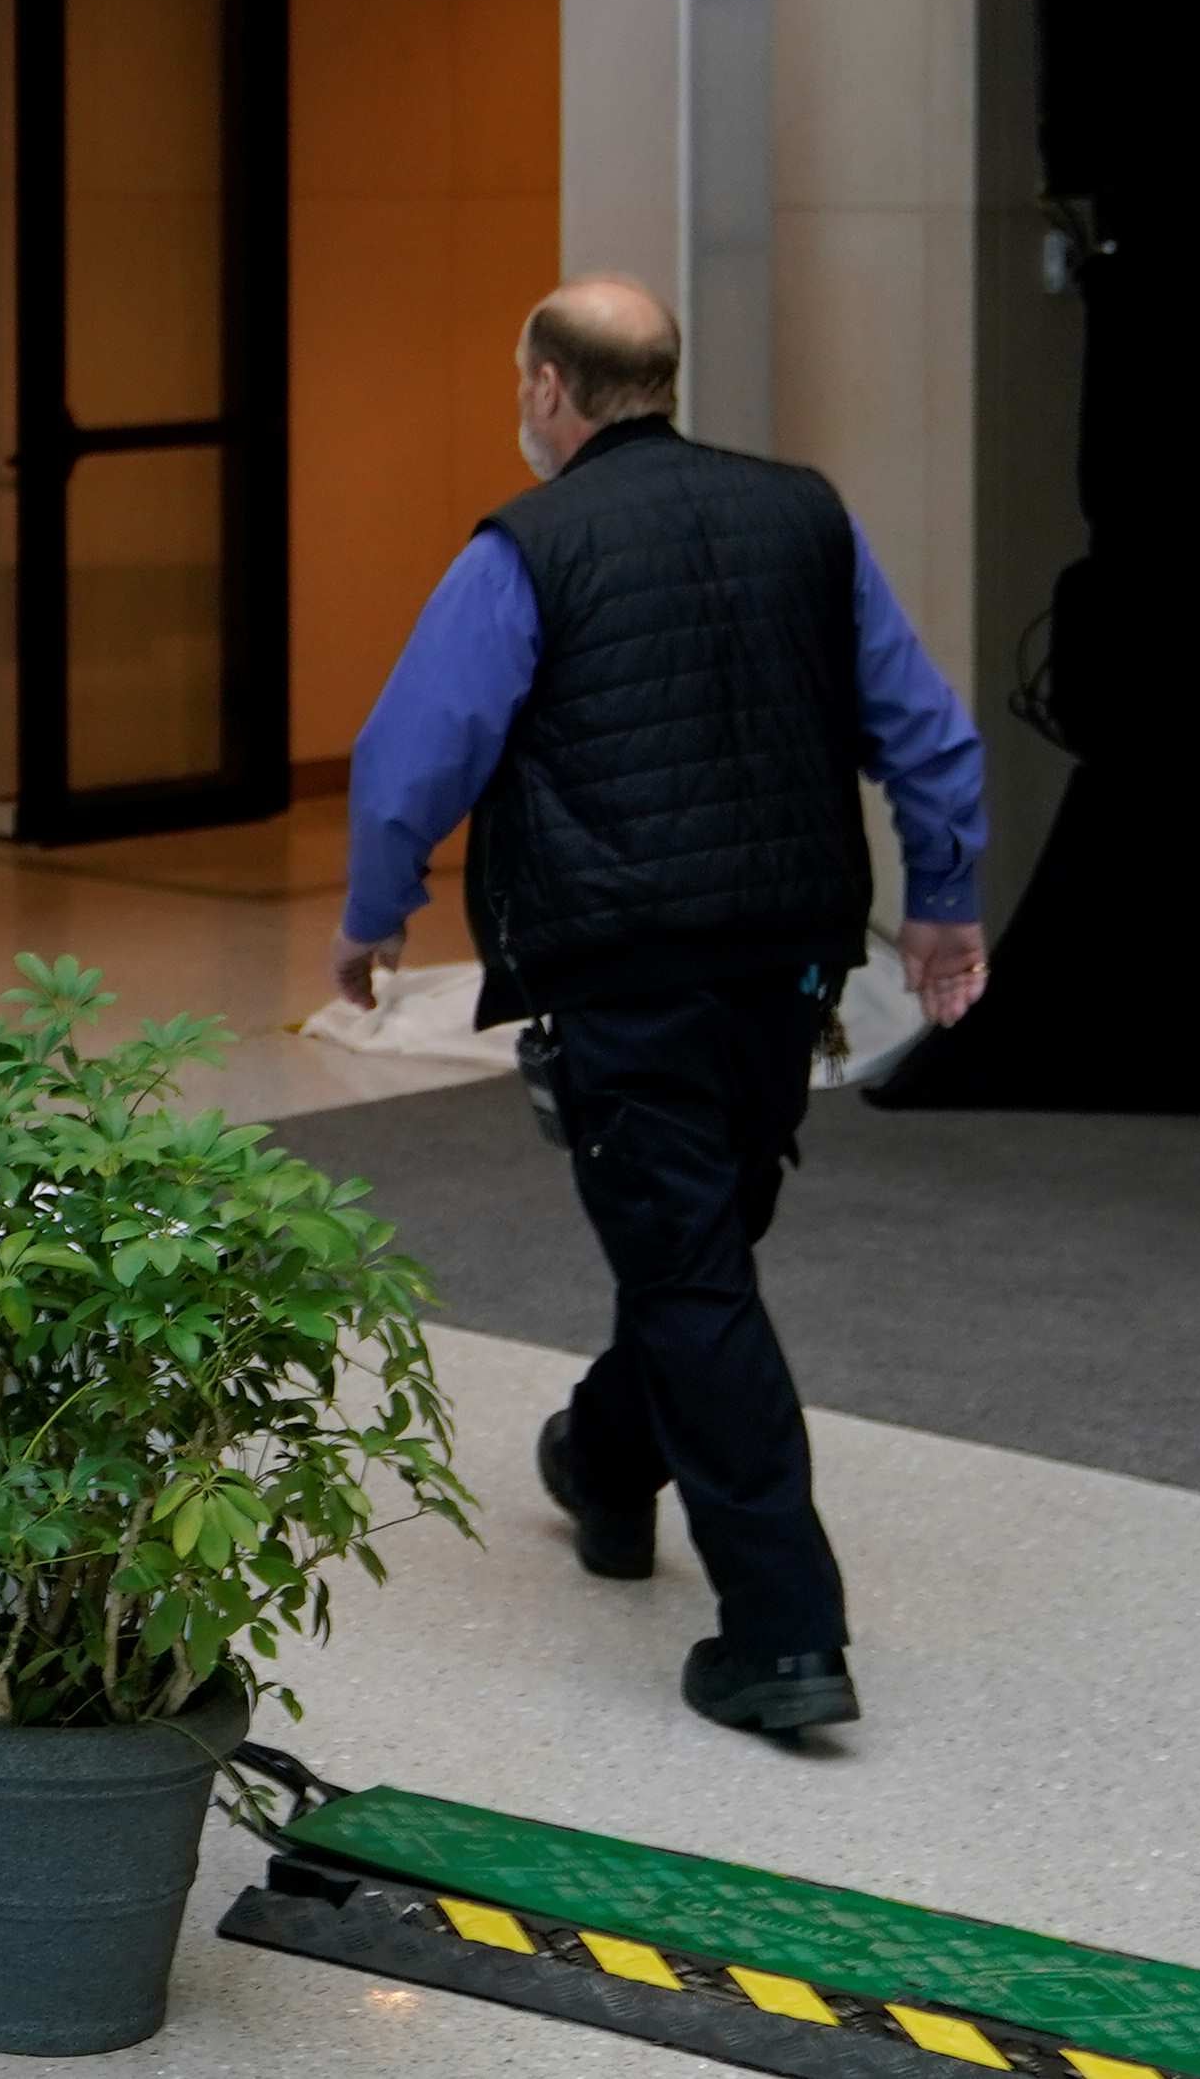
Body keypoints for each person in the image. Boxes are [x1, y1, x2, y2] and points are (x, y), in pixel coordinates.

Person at [325, 277, 991, 1742]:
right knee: (698, 1237)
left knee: (692, 1268)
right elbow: (926, 727)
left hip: (624, 964)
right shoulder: (805, 513)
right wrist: (942, 895)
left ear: (553, 388)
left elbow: (412, 752)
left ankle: (784, 1631)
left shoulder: (528, 547)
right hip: (788, 964)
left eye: (523, 383)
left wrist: (373, 920)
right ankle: (608, 1461)